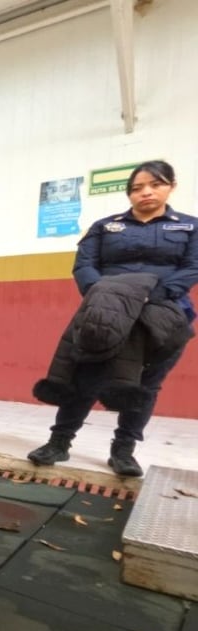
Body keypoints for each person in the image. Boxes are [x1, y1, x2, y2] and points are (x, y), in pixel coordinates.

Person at [28, 160, 197, 477]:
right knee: (84, 379)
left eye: (155, 184)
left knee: (145, 385)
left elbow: (193, 267)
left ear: (171, 186)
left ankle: (123, 451)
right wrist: (101, 296)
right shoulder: (105, 226)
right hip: (106, 314)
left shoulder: (190, 226)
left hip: (163, 316)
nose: (145, 192)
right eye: (136, 187)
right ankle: (59, 443)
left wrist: (156, 295)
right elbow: (84, 265)